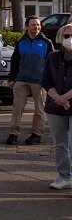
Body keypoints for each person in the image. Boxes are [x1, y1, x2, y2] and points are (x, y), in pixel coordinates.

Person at [6, 16, 54, 145]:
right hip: (21, 79)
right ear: (27, 27)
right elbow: (15, 61)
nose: (37, 27)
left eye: (38, 25)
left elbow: (51, 63)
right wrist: (12, 78)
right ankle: (13, 133)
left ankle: (36, 134)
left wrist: (50, 82)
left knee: (39, 109)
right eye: (33, 25)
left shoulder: (46, 43)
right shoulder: (21, 42)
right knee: (17, 107)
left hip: (39, 81)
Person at [41, 24, 72, 190]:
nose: (69, 39)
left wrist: (65, 98)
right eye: (66, 36)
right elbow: (45, 80)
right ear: (60, 38)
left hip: (64, 101)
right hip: (55, 106)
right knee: (60, 144)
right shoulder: (52, 57)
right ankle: (64, 176)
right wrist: (58, 98)